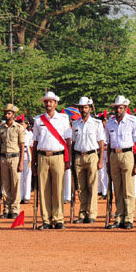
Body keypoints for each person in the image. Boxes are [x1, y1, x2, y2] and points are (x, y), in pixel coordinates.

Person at [32, 92, 72, 230]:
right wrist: (33, 163)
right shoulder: (38, 120)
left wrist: (68, 160)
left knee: (58, 188)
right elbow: (35, 142)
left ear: (56, 103)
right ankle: (46, 220)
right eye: (46, 102)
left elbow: (68, 140)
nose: (48, 104)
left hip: (58, 156)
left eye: (51, 102)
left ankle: (59, 218)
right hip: (42, 156)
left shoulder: (63, 119)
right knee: (44, 189)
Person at [105, 95, 136, 230]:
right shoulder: (110, 123)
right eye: (116, 108)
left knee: (128, 189)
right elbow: (108, 145)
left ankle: (129, 218)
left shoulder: (132, 122)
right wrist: (108, 162)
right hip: (114, 155)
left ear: (125, 108)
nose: (118, 110)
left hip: (127, 155)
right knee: (118, 188)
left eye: (120, 108)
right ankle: (119, 217)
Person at [71, 97, 105, 224]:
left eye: (85, 107)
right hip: (79, 156)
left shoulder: (96, 124)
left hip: (92, 155)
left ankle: (91, 213)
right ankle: (82, 212)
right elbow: (73, 142)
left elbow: (101, 143)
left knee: (92, 185)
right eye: (81, 107)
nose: (83, 110)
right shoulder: (75, 124)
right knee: (81, 187)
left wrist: (101, 160)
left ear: (90, 109)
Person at [0, 104, 25, 219]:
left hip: (15, 158)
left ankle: (15, 208)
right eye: (5, 113)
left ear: (14, 115)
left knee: (15, 184)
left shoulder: (19, 128)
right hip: (3, 158)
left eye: (9, 113)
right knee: (5, 185)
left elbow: (22, 146)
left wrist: (21, 162)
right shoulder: (0, 129)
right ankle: (6, 208)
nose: (6, 115)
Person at [19, 117, 33, 204]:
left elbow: (31, 146)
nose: (21, 126)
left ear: (26, 125)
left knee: (27, 176)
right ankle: (20, 196)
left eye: (22, 124)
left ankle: (27, 196)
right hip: (20, 154)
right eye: (20, 124)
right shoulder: (17, 133)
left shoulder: (30, 134)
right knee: (20, 177)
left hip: (27, 155)